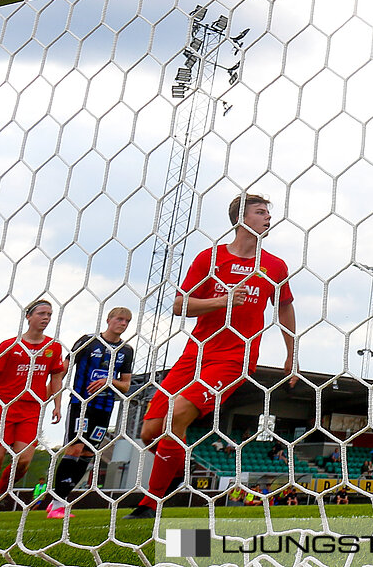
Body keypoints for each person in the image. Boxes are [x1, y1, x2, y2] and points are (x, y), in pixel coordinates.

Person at [128, 192, 298, 520]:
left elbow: (286, 306)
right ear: (240, 219)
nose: (267, 217)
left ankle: (149, 504)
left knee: (178, 414)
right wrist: (221, 302)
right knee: (150, 432)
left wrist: (292, 354)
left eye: (267, 212)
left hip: (235, 358)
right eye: (260, 211)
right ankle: (174, 466)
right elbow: (180, 305)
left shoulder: (274, 266)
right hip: (195, 353)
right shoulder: (210, 259)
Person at [0, 299, 66, 522]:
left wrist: (56, 404)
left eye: (49, 314)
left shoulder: (53, 347)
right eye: (42, 313)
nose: (46, 318)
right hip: (2, 407)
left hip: (32, 409)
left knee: (23, 461)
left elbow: (56, 378)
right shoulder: (9, 345)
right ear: (29, 316)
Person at [47, 306, 135, 518]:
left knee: (88, 453)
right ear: (108, 319)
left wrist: (109, 381)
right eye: (119, 319)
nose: (122, 324)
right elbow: (62, 369)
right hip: (81, 404)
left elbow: (125, 385)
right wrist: (53, 399)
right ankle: (58, 505)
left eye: (127, 321)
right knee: (75, 449)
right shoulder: (88, 341)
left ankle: (57, 501)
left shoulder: (126, 350)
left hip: (105, 407)